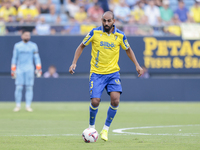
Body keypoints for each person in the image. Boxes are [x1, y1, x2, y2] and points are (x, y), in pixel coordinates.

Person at [69, 11, 143, 141]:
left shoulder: (120, 35)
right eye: (104, 21)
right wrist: (74, 63)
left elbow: (128, 49)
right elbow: (81, 46)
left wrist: (137, 65)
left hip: (113, 73)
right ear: (101, 20)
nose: (106, 23)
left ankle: (105, 129)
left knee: (115, 100)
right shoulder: (94, 32)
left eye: (109, 21)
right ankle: (91, 128)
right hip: (97, 73)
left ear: (114, 21)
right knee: (95, 101)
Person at [11, 30, 42, 112]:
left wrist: (38, 68)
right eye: (25, 35)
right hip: (20, 69)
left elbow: (37, 57)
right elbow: (14, 58)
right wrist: (13, 69)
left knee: (29, 87)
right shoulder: (17, 46)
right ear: (22, 36)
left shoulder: (33, 46)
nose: (27, 37)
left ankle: (28, 105)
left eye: (28, 35)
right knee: (19, 87)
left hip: (29, 69)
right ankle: (18, 105)